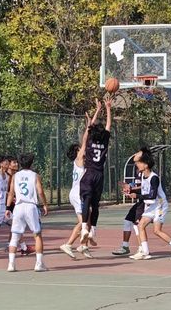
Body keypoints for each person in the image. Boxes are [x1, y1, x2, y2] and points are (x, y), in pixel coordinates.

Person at [127, 148, 171, 261]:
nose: (137, 164)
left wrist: (137, 196)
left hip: (160, 205)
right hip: (151, 206)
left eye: (139, 163)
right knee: (140, 226)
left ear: (146, 165)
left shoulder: (154, 178)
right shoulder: (143, 175)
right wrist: (132, 190)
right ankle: (145, 252)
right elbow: (145, 190)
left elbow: (152, 196)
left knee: (157, 230)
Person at [60, 100, 101, 260]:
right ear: (77, 151)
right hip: (78, 193)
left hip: (79, 192)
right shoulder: (79, 159)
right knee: (84, 221)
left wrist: (92, 119)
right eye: (81, 148)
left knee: (87, 221)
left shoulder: (83, 162)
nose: (83, 149)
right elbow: (86, 137)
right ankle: (68, 244)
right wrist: (94, 116)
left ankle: (83, 246)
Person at [5, 153, 48, 272]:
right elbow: (40, 192)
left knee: (15, 237)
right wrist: (45, 204)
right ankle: (39, 264)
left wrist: (8, 208)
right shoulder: (35, 175)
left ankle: (11, 264)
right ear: (31, 163)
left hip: (18, 207)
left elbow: (11, 193)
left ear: (20, 163)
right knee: (37, 235)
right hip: (31, 207)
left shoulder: (15, 176)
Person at [79, 97, 112, 248]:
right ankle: (93, 231)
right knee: (95, 205)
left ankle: (84, 228)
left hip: (89, 173)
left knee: (86, 201)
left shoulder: (89, 141)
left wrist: (98, 109)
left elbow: (90, 127)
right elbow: (108, 125)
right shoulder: (104, 142)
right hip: (99, 174)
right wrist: (108, 108)